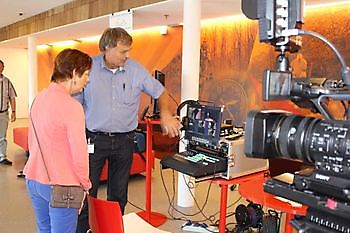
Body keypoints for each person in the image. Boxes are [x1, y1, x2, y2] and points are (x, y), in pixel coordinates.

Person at [75, 27, 182, 233]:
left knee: (118, 193)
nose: (127, 56)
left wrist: (165, 115)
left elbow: (161, 92)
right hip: (93, 140)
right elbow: (75, 103)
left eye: (128, 51)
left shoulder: (135, 70)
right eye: (123, 51)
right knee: (87, 191)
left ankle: (112, 228)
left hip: (125, 141)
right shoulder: (88, 68)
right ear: (107, 48)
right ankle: (84, 230)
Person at [23, 49, 92, 233]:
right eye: (86, 74)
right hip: (62, 184)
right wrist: (85, 185)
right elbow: (79, 154)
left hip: (34, 178)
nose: (88, 79)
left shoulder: (38, 98)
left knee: (44, 229)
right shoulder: (72, 107)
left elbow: (33, 141)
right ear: (74, 73)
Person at [0, 60, 17, 166]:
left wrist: (14, 111)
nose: (0, 68)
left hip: (3, 113)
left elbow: (12, 97)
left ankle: (2, 157)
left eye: (1, 67)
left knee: (2, 136)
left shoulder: (7, 81)